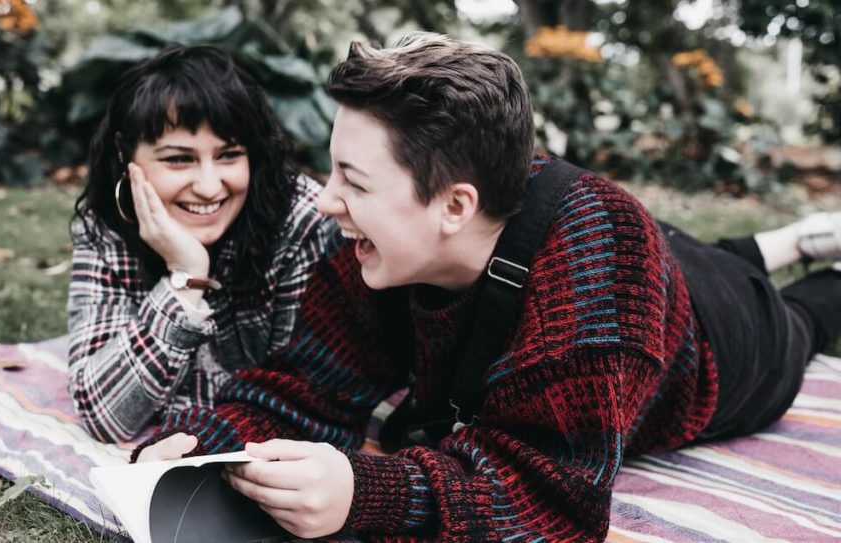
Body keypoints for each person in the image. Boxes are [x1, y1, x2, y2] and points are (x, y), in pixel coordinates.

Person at [132, 34, 841, 541]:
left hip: (730, 344)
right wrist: (204, 439)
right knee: (707, 256)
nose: (325, 200)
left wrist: (365, 491)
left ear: (455, 206)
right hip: (665, 264)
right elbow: (308, 384)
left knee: (799, 313)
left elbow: (552, 501)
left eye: (354, 180)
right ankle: (789, 238)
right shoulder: (378, 243)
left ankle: (819, 266)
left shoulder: (598, 272)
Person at [67, 44, 336, 443]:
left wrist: (171, 399)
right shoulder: (108, 222)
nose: (209, 186)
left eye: (229, 155)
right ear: (126, 154)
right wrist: (186, 277)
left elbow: (306, 399)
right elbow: (105, 415)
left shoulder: (304, 222)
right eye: (178, 159)